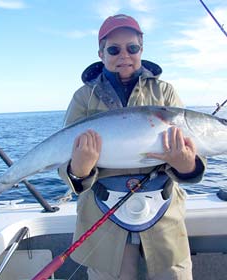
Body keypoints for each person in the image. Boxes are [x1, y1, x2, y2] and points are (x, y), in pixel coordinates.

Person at [58, 14, 206, 280]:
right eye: (114, 49)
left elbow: (193, 151)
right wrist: (78, 170)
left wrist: (187, 165)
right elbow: (61, 159)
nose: (123, 55)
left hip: (164, 222)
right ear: (101, 53)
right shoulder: (83, 97)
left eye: (132, 48)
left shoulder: (165, 92)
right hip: (102, 222)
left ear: (141, 49)